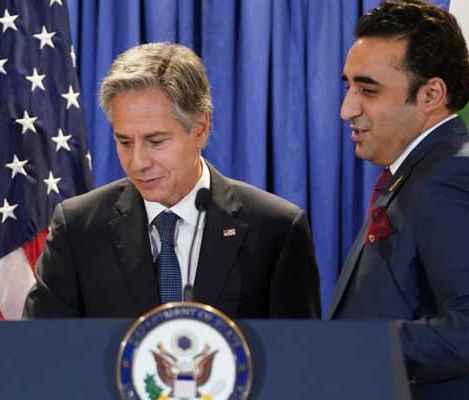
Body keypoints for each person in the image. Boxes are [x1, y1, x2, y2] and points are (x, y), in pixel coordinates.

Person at [326, 1, 469, 399]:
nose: (347, 109)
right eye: (348, 86)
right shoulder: (426, 168)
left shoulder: (456, 176)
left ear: (431, 93)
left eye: (368, 90)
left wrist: (351, 349)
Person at [24, 43, 321, 319]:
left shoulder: (275, 229)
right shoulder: (78, 228)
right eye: (125, 142)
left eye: (155, 141)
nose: (138, 162)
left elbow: (298, 359)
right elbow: (44, 352)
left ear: (201, 129)